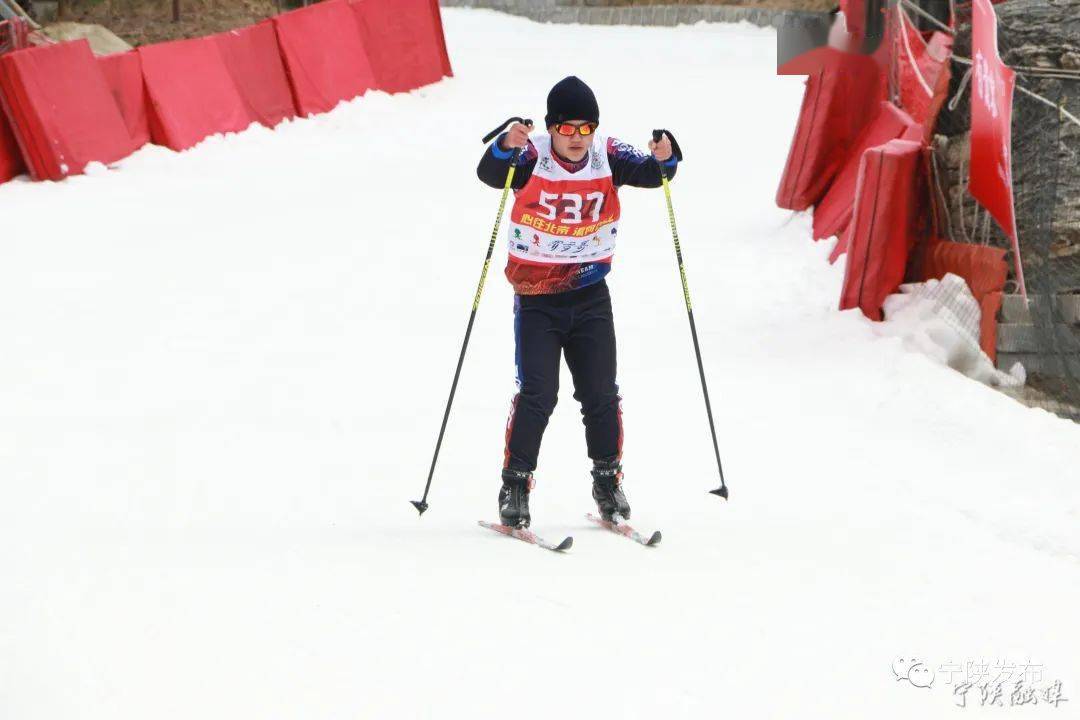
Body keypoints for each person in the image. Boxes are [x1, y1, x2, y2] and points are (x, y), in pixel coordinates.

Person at [475, 76, 678, 528]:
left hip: (590, 294)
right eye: (566, 129)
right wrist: (507, 144)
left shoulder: (607, 152)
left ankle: (607, 482)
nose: (576, 138)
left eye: (585, 128)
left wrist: (666, 155)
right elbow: (490, 173)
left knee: (600, 393)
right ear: (552, 128)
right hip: (536, 297)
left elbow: (653, 172)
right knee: (538, 394)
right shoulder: (535, 152)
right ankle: (515, 486)